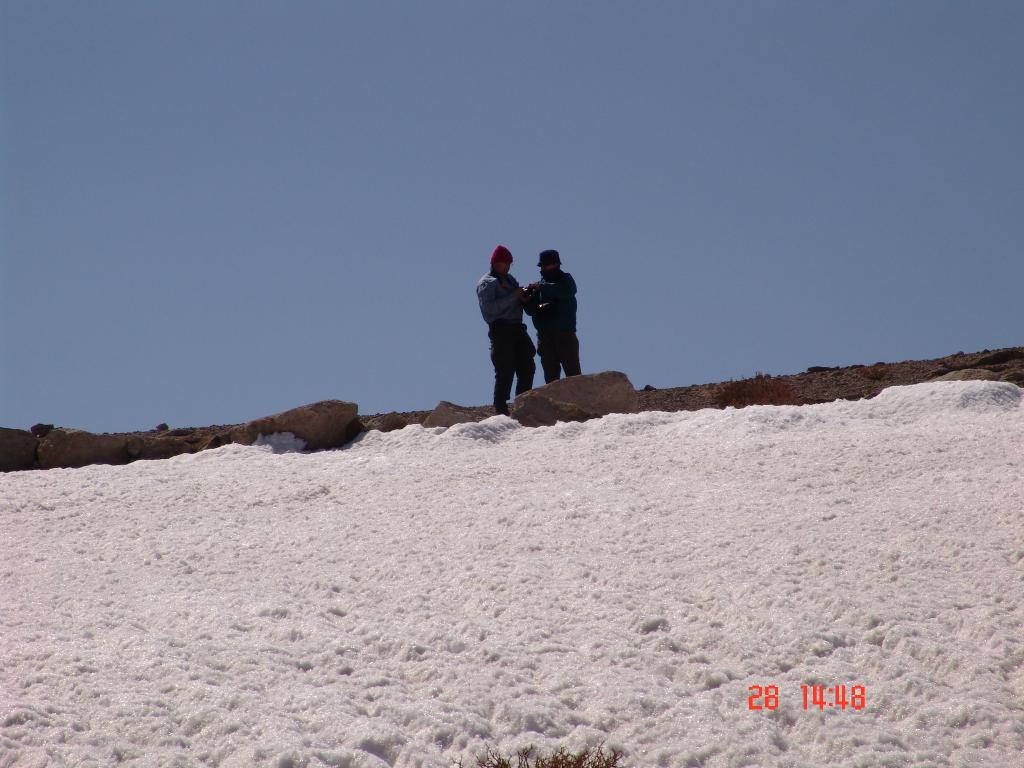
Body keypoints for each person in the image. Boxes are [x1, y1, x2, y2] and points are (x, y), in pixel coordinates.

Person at [476, 245, 536, 415]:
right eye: (504, 263)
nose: (508, 266)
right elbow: (489, 310)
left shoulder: (509, 280)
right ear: (495, 263)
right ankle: (501, 411)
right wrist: (514, 296)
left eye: (509, 263)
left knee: (527, 366)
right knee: (505, 369)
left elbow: (516, 297)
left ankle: (523, 405)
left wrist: (525, 293)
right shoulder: (487, 283)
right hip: (501, 329)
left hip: (517, 328)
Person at [524, 249, 581, 383]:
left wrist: (541, 287)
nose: (544, 268)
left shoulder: (565, 280)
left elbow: (567, 291)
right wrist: (526, 299)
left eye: (546, 265)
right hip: (545, 338)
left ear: (556, 265)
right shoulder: (539, 287)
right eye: (543, 266)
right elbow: (531, 311)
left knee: (575, 379)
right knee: (551, 381)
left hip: (565, 334)